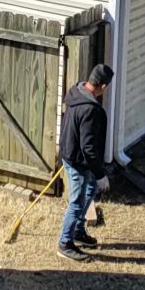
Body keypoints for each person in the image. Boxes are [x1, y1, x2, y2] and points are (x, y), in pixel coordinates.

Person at [57, 63, 114, 262]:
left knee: (89, 190)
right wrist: (100, 175)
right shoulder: (90, 110)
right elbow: (88, 148)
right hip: (78, 162)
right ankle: (65, 243)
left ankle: (78, 231)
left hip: (70, 155)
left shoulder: (76, 92)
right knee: (77, 201)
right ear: (103, 86)